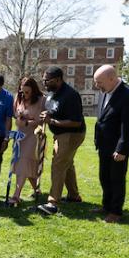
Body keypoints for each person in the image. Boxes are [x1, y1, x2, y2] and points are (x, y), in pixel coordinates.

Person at [93, 65, 129, 223]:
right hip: (104, 145)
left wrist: (122, 149)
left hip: (117, 148)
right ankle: (106, 206)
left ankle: (115, 211)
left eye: (99, 82)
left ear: (112, 78)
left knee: (116, 179)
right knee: (104, 177)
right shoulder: (105, 92)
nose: (97, 86)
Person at [37, 66, 86, 215]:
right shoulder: (53, 93)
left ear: (58, 80)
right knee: (67, 163)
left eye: (47, 80)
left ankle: (52, 202)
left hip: (71, 134)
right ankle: (73, 196)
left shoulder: (70, 95)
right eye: (43, 80)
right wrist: (48, 114)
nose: (44, 83)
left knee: (58, 164)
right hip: (60, 134)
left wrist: (51, 121)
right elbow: (54, 110)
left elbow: (75, 122)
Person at [8, 77, 46, 206]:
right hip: (20, 136)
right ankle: (37, 189)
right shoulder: (18, 98)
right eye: (22, 92)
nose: (24, 94)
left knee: (23, 164)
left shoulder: (42, 100)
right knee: (26, 165)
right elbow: (15, 113)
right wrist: (19, 118)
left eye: (27, 92)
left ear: (34, 91)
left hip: (33, 136)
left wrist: (26, 121)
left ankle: (16, 195)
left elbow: (41, 121)